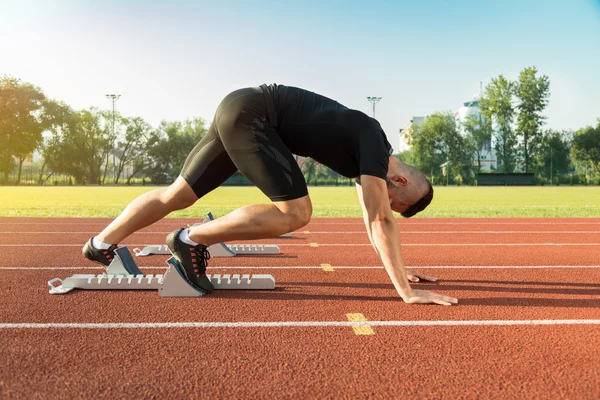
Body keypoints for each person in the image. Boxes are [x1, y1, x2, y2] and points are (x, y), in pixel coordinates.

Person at [82, 84, 457, 306]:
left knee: (178, 193)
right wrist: (406, 292)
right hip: (254, 117)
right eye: (396, 202)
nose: (388, 205)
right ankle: (188, 239)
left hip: (239, 105)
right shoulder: (374, 149)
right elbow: (380, 219)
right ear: (401, 183)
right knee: (296, 213)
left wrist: (397, 268)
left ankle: (100, 243)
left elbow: (371, 221)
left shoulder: (369, 151)